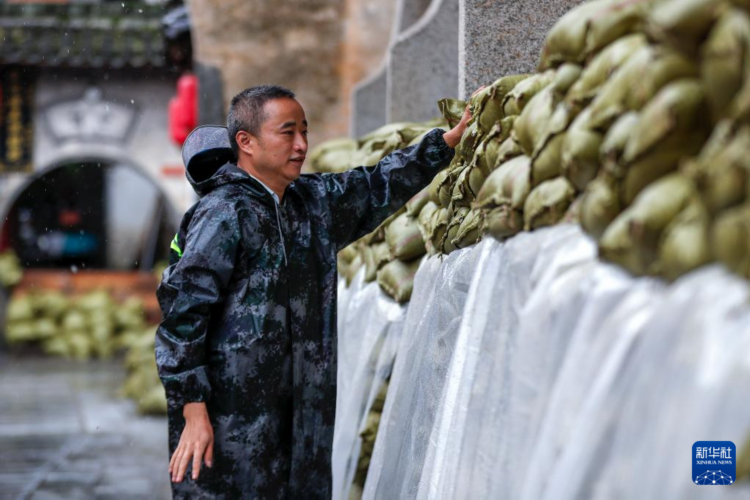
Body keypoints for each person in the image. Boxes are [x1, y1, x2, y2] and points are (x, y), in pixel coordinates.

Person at [155, 84, 471, 498]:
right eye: (287, 132)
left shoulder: (311, 203)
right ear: (246, 142)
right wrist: (193, 410)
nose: (302, 145)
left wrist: (445, 143)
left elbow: (376, 184)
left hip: (304, 425)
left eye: (304, 131)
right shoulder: (223, 214)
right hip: (231, 426)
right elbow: (182, 316)